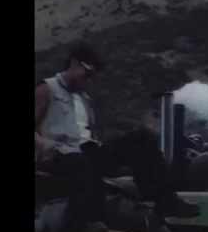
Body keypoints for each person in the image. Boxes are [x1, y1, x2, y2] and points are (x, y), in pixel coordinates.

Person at [35, 45, 198, 217]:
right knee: (79, 163)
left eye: (92, 77)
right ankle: (88, 222)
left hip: (88, 153)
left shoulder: (84, 98)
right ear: (74, 64)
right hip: (60, 154)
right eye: (87, 74)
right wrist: (44, 145)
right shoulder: (47, 88)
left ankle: (164, 200)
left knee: (142, 138)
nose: (89, 80)